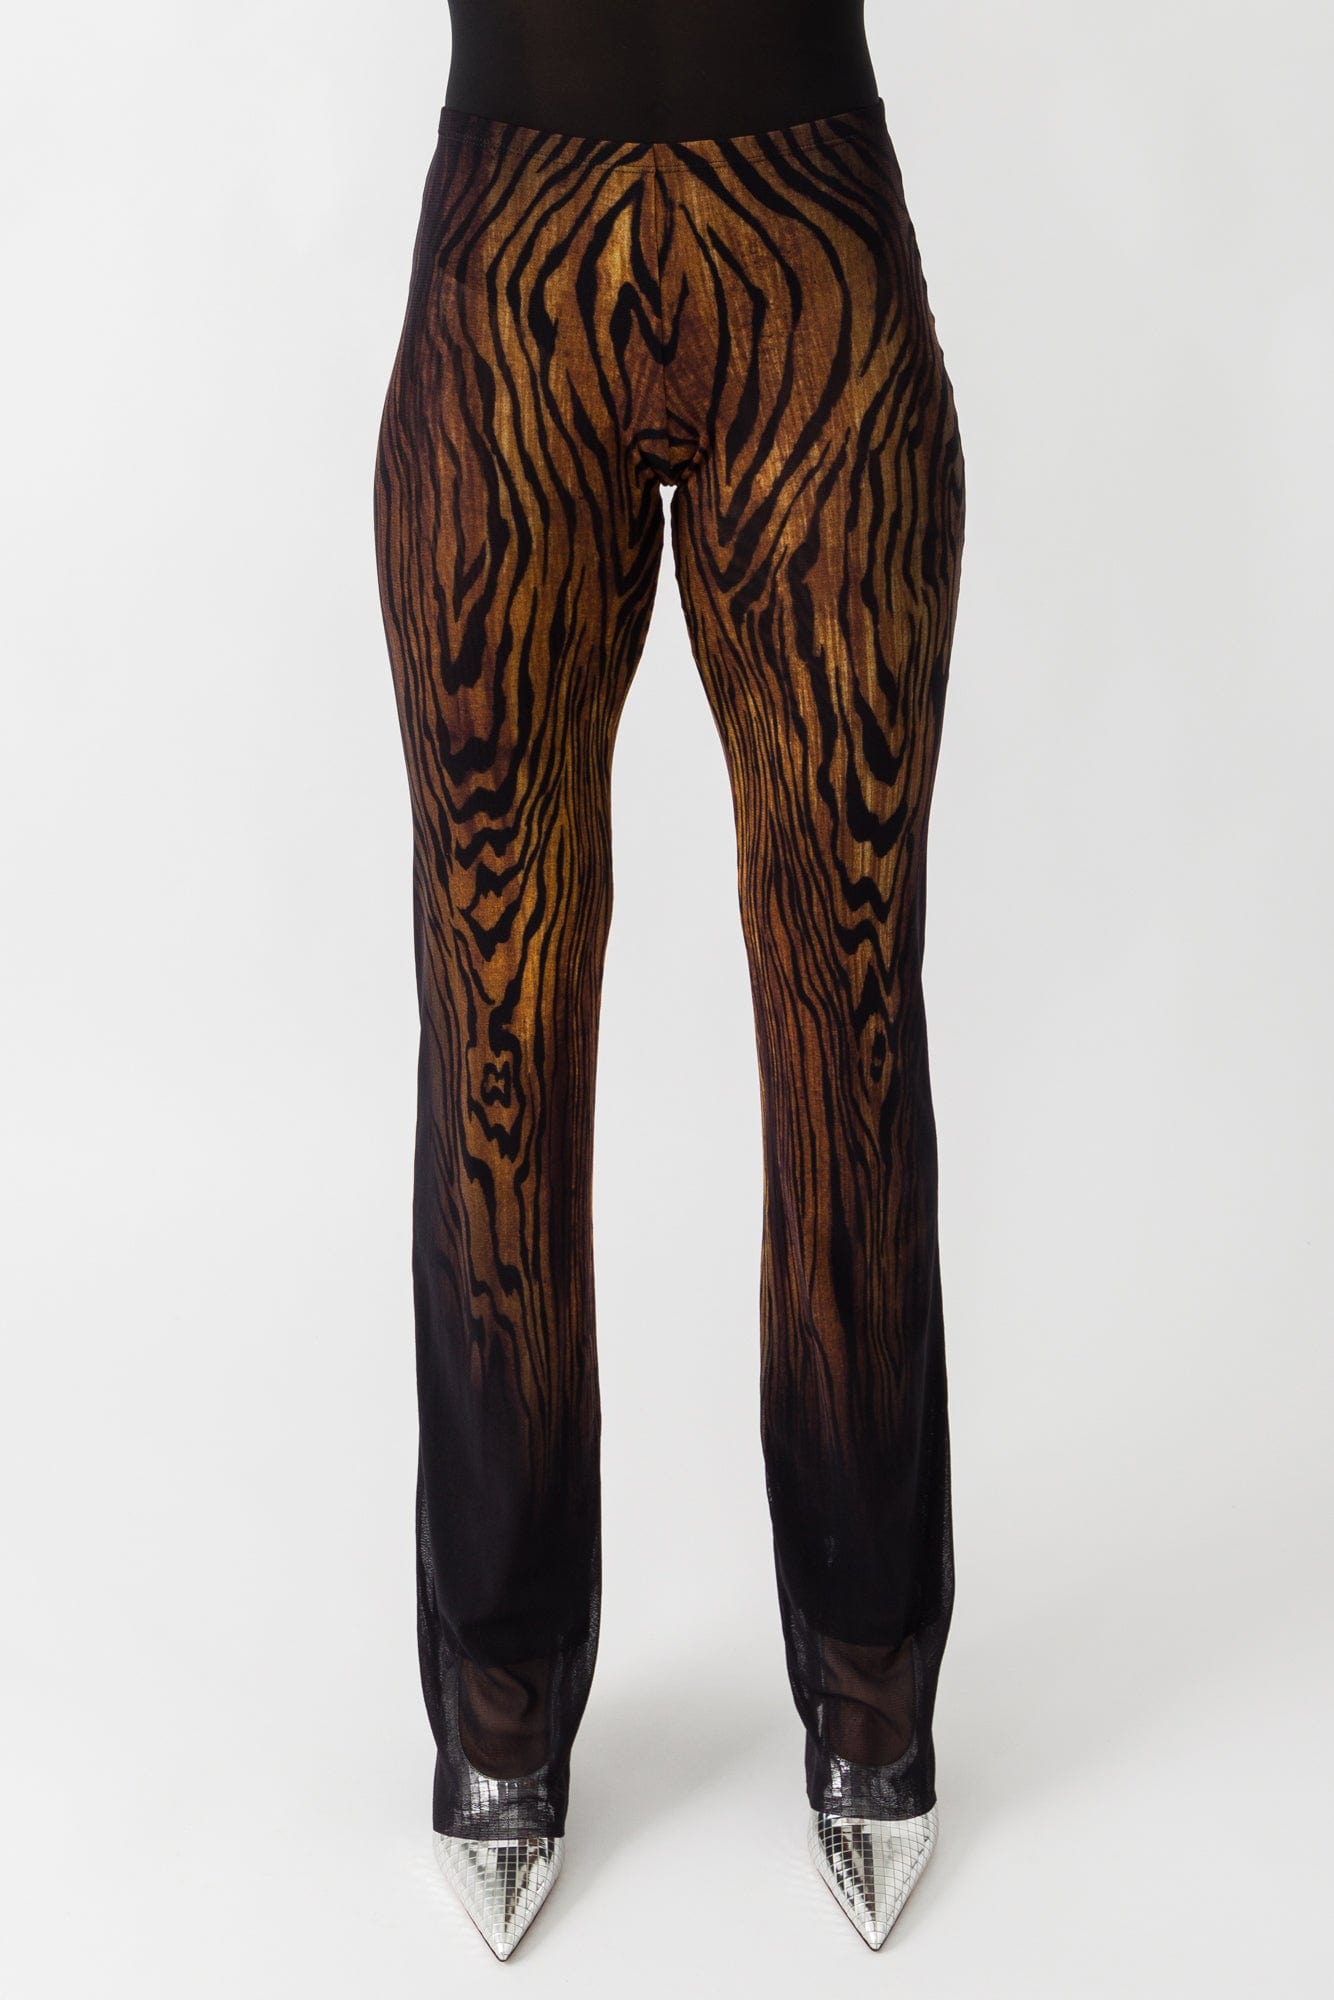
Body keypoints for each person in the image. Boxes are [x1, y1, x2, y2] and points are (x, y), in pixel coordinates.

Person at [373, 0, 965, 1958]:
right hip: (508, 246)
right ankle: (500, 1694)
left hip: (808, 235)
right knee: (495, 1009)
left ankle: (871, 1680)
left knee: (846, 994)